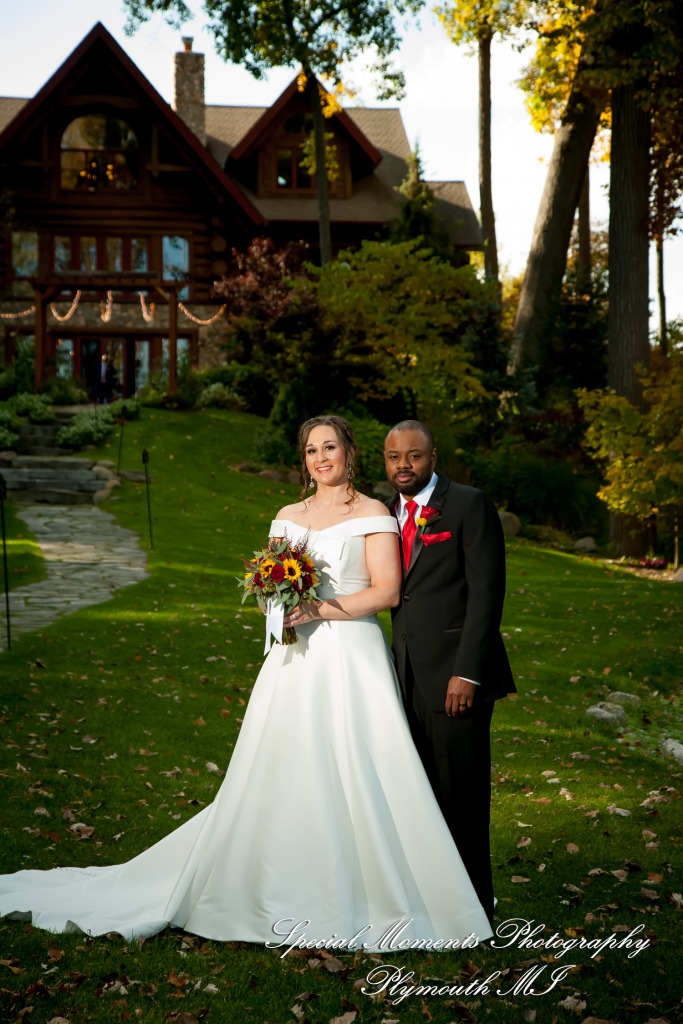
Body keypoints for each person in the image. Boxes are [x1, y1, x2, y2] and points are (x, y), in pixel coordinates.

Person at [0, 415, 492, 948]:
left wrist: (315, 608)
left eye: (330, 447)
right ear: (303, 461)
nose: (321, 457)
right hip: (294, 661)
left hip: (353, 657)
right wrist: (276, 602)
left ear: (350, 452)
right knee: (283, 766)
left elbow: (386, 593)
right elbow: (269, 589)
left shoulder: (374, 513)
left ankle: (384, 882)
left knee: (363, 766)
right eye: (310, 450)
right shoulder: (287, 515)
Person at [384, 420, 516, 926]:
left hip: (457, 677)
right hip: (404, 677)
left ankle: (476, 910)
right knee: (422, 796)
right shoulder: (386, 511)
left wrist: (469, 673)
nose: (404, 466)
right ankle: (431, 901)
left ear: (433, 457)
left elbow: (487, 595)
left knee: (462, 796)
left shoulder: (468, 504)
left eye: (413, 456)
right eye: (394, 457)